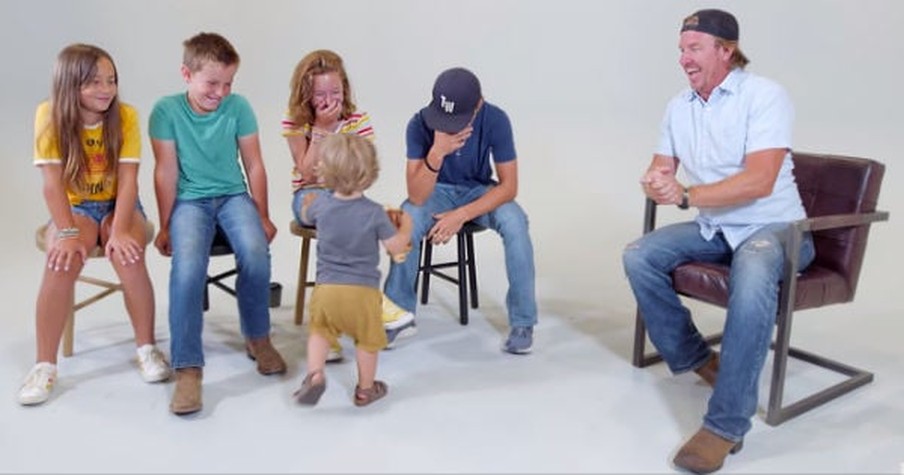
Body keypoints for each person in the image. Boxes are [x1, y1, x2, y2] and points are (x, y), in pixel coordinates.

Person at [621, 9, 816, 473]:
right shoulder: (678, 107)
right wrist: (656, 181)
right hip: (718, 229)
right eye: (681, 50)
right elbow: (661, 167)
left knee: (752, 270)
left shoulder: (764, 96)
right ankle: (697, 358)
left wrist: (686, 195)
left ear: (725, 51)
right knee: (639, 255)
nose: (684, 59)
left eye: (694, 49)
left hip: (778, 230)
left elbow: (760, 181)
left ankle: (725, 426)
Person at [19, 44, 171, 406]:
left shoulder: (126, 116)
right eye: (94, 82)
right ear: (70, 85)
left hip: (119, 202)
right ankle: (44, 365)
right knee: (62, 262)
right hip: (74, 208)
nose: (106, 89)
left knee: (129, 256)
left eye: (111, 80)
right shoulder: (49, 115)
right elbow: (52, 185)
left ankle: (146, 348)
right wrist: (68, 232)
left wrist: (118, 229)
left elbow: (129, 180)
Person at [149, 32, 286, 416]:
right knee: (189, 266)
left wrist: (261, 213)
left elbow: (254, 164)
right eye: (212, 83)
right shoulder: (166, 111)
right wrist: (164, 224)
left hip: (233, 196)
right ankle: (188, 366)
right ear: (186, 74)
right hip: (190, 201)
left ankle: (258, 337)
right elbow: (165, 170)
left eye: (228, 83)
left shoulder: (238, 107)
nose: (220, 92)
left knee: (256, 250)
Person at [383, 67, 538, 354]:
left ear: (478, 105)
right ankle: (396, 316)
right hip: (434, 192)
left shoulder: (495, 119)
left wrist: (461, 215)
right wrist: (437, 152)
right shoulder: (418, 124)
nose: (448, 125)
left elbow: (509, 187)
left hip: (478, 191)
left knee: (515, 221)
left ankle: (523, 321)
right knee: (406, 220)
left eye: (456, 119)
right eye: (444, 118)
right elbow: (417, 197)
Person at [282, 49, 414, 359]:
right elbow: (306, 172)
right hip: (309, 198)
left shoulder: (357, 120)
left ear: (345, 89)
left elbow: (361, 171)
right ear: (306, 94)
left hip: (348, 197)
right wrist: (321, 131)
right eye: (320, 94)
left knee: (358, 214)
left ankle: (337, 325)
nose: (330, 99)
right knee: (347, 214)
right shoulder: (297, 121)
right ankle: (377, 310)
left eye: (336, 92)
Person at [292, 133, 412, 407]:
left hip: (326, 291)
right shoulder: (375, 213)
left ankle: (315, 374)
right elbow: (395, 248)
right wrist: (406, 225)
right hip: (362, 293)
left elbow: (308, 214)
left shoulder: (321, 205)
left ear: (326, 171)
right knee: (367, 341)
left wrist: (309, 201)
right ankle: (366, 389)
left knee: (320, 333)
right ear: (370, 173)